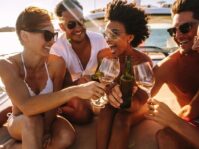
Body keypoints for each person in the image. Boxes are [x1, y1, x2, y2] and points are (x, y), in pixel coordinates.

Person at [0, 6, 105, 149]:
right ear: (25, 36)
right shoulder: (8, 64)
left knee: (67, 135)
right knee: (33, 122)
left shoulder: (57, 64)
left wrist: (48, 129)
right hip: (20, 120)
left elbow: (53, 106)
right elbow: (27, 107)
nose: (52, 41)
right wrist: (75, 90)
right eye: (47, 35)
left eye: (54, 35)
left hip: (48, 119)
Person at [96, 1, 153, 149]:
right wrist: (109, 89)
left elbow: (142, 98)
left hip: (137, 104)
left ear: (130, 37)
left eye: (114, 33)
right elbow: (100, 83)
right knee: (105, 111)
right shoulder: (104, 57)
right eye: (106, 33)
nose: (108, 38)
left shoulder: (142, 61)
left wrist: (124, 98)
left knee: (122, 118)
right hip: (115, 103)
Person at [147, 0, 199, 148]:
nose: (178, 36)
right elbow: (139, 98)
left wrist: (174, 120)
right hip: (193, 123)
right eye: (173, 31)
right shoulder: (168, 66)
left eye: (185, 28)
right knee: (165, 137)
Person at [49, 0, 108, 124]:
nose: (78, 28)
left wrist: (93, 79)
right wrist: (78, 84)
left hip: (94, 90)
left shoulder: (99, 40)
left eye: (81, 21)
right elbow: (57, 88)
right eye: (71, 24)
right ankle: (54, 111)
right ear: (62, 27)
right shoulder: (57, 49)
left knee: (111, 108)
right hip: (68, 93)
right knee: (83, 115)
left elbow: (107, 71)